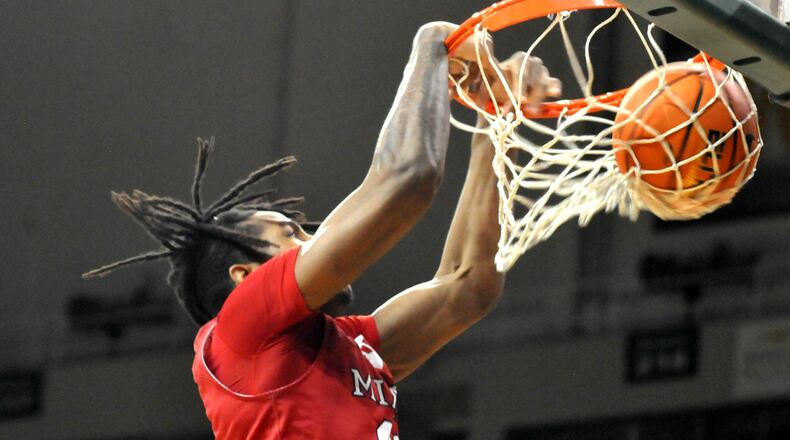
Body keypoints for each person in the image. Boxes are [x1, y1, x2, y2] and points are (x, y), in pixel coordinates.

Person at [85, 22, 558, 440]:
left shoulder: (349, 348)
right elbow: (407, 181)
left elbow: (467, 286)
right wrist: (434, 41)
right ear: (244, 277)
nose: (314, 241)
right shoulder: (240, 330)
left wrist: (497, 123)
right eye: (291, 233)